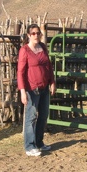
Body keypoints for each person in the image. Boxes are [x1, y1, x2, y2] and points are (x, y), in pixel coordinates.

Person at [17, 24, 56, 156]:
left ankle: (39, 142)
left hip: (44, 87)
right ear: (28, 35)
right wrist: (22, 91)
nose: (36, 35)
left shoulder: (43, 47)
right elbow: (20, 72)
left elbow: (49, 66)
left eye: (38, 33)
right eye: (33, 33)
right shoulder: (25, 50)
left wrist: (52, 82)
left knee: (43, 115)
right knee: (31, 117)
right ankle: (29, 146)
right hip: (32, 89)